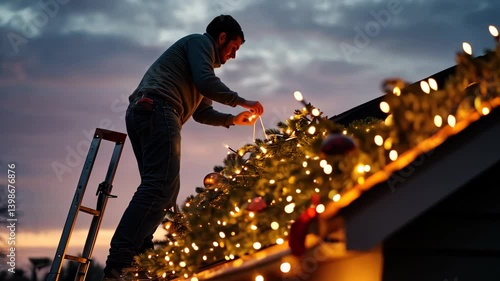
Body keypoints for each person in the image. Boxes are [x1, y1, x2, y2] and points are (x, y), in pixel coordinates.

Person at [102, 15, 264, 280]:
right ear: (222, 38)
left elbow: (201, 111)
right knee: (160, 186)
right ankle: (120, 261)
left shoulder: (196, 63)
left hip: (147, 111)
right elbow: (205, 81)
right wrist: (241, 101)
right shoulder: (199, 44)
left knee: (161, 189)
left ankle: (139, 258)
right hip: (159, 108)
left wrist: (232, 120)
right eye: (234, 48)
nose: (233, 56)